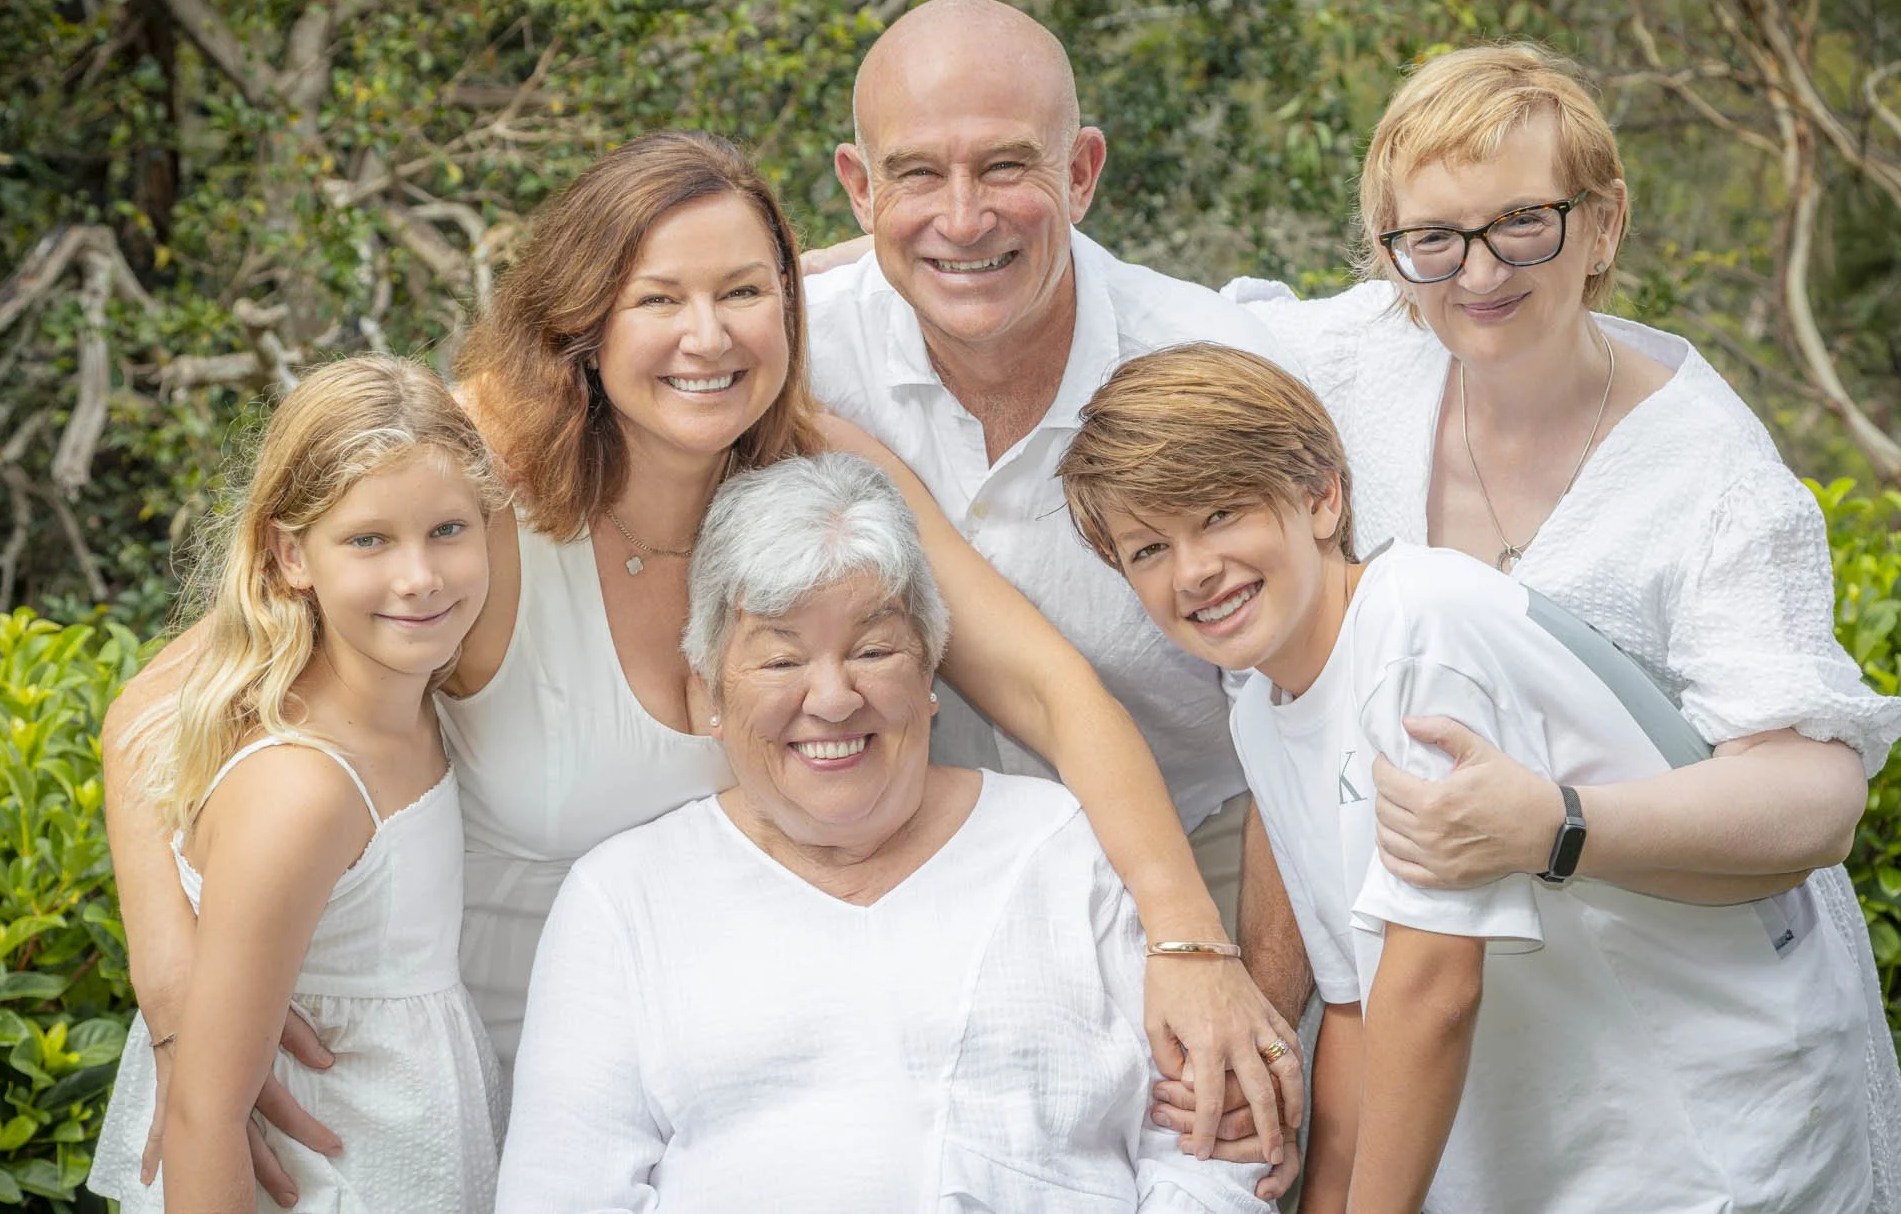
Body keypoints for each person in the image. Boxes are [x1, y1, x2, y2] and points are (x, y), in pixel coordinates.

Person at [99, 131, 1298, 1200]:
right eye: (657, 299)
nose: (706, 337)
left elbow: (1050, 689)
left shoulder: (818, 473)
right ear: (584, 323)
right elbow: (156, 712)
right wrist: (181, 1013)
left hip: (658, 1098)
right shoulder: (473, 480)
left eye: (744, 293)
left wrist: (1187, 946)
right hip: (388, 1089)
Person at [1203, 42, 1901, 1200]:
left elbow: (1812, 796)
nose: (1474, 272)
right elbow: (1133, 312)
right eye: (1430, 237)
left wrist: (1554, 824)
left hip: (1708, 1070)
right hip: (1497, 1067)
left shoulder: (1713, 478)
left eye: (1521, 221)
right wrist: (831, 272)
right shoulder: (1368, 354)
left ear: (1601, 222)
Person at [1058, 342, 1874, 1213]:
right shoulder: (1263, 710)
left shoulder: (1416, 631)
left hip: (1711, 1142)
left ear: (1321, 496)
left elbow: (1433, 985)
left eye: (1220, 513)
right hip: (1568, 1151)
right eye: (1148, 549)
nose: (1193, 569)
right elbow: (1356, 1009)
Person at [497, 452, 1276, 1213]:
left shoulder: (1065, 844)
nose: (834, 698)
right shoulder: (623, 897)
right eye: (780, 660)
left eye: (873, 650)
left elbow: (1211, 1150)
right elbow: (562, 1189)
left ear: (930, 669)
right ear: (706, 689)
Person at [805, 0, 1308, 1139]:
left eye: (1005, 167)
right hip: (908, 858)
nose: (963, 217)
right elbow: (583, 350)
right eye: (916, 174)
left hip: (1205, 847)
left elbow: (1297, 707)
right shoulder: (793, 345)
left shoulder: (1204, 368)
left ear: (1081, 173)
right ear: (855, 187)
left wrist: (1259, 1011)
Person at [88, 356, 508, 1212]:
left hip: (395, 1142)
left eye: (448, 531)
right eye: (368, 539)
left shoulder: (409, 704)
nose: (419, 575)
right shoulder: (303, 790)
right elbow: (206, 1115)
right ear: (291, 554)